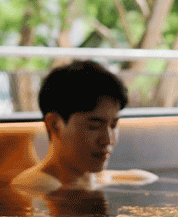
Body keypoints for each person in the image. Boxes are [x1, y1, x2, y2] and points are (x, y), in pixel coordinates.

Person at [11, 60, 157, 192]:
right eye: (94, 126)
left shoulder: (120, 179)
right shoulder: (36, 187)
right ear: (55, 125)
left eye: (113, 125)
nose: (108, 140)